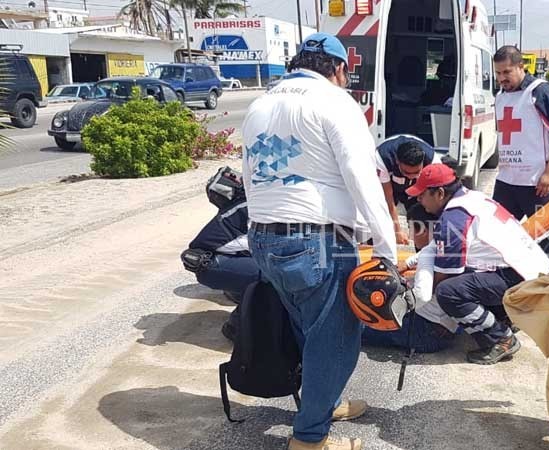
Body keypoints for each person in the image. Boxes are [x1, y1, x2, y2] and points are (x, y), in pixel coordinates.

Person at [242, 32, 397, 450]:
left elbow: (248, 173)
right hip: (316, 241)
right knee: (336, 341)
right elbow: (362, 176)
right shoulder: (335, 101)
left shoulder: (259, 104)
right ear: (339, 68)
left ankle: (321, 404)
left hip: (264, 237)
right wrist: (386, 248)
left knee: (308, 329)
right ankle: (310, 439)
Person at [406, 164, 549, 365]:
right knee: (467, 274)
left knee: (448, 291)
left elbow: (443, 278)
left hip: (518, 277)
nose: (419, 200)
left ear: (439, 193)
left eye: (422, 195)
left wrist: (414, 291)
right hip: (531, 269)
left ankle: (500, 337)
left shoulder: (453, 220)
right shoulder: (472, 198)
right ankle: (501, 317)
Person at [492, 45, 549, 266]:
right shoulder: (500, 96)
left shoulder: (540, 91)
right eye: (498, 73)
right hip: (506, 180)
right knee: (498, 236)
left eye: (507, 72)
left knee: (548, 242)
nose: (502, 78)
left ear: (521, 66)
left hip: (535, 182)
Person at [180, 167, 259, 340]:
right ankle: (237, 327)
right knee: (275, 274)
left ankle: (240, 294)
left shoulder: (262, 200)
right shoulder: (260, 207)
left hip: (227, 256)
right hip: (207, 261)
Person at [375, 134, 443, 250]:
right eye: (407, 172)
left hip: (419, 189)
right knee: (380, 218)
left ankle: (422, 254)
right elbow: (388, 199)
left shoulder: (433, 162)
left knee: (423, 220)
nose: (412, 177)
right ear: (397, 161)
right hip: (391, 186)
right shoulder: (383, 158)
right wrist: (397, 230)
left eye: (417, 172)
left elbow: (435, 202)